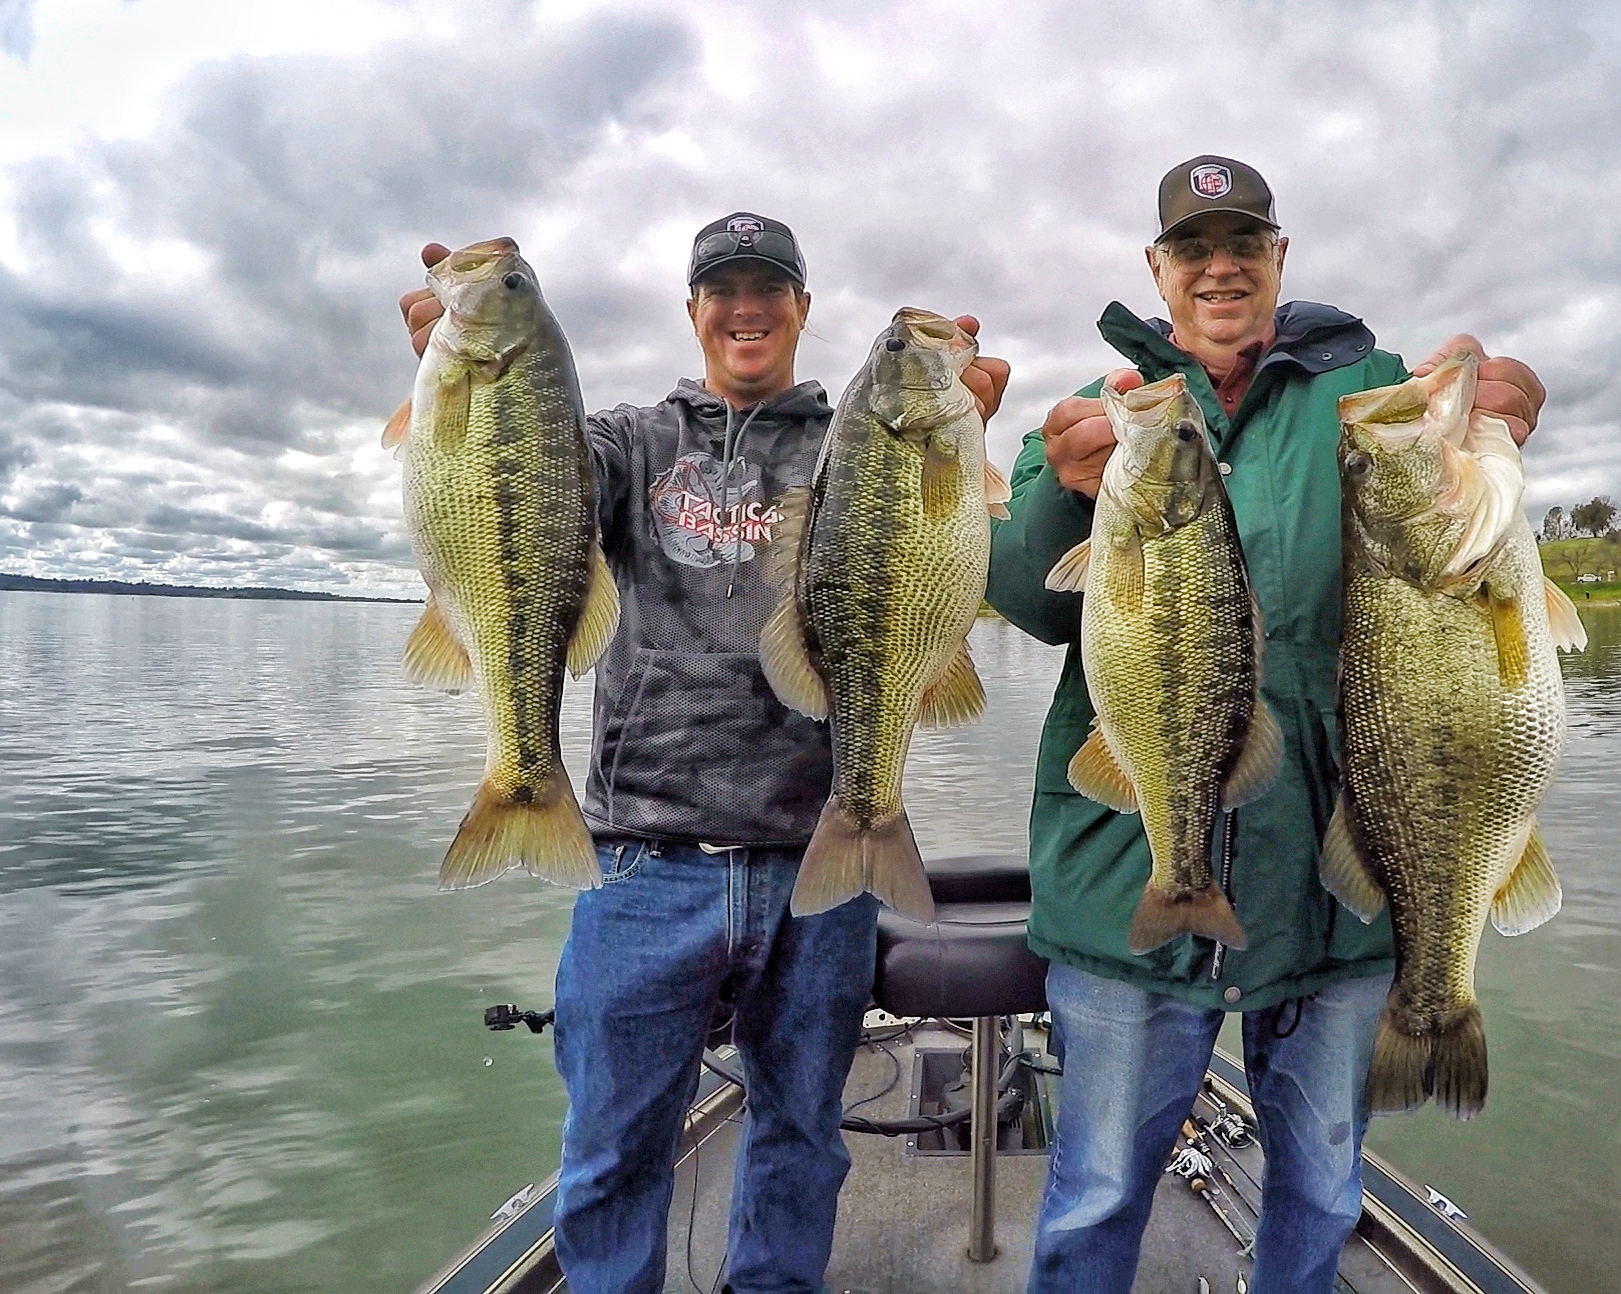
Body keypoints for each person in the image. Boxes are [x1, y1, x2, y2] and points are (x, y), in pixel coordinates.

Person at [398, 216, 1008, 1294]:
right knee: (611, 1150)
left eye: (770, 285)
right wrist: (477, 393)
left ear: (802, 311)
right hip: (640, 858)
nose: (746, 305)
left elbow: (939, 542)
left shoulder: (853, 443)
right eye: (721, 287)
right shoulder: (631, 439)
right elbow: (531, 489)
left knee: (801, 1139)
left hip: (811, 860)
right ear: (693, 312)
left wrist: (961, 439)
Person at [985, 156, 1546, 1294]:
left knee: (1324, 1194)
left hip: (1331, 890)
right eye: (1193, 249)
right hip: (1122, 880)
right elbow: (1027, 599)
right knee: (1092, 1196)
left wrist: (1503, 399)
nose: (1220, 266)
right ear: (1158, 269)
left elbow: (1474, 443)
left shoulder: (1370, 393)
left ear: (1280, 259)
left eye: (1244, 243)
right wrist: (1058, 489)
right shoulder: (1103, 414)